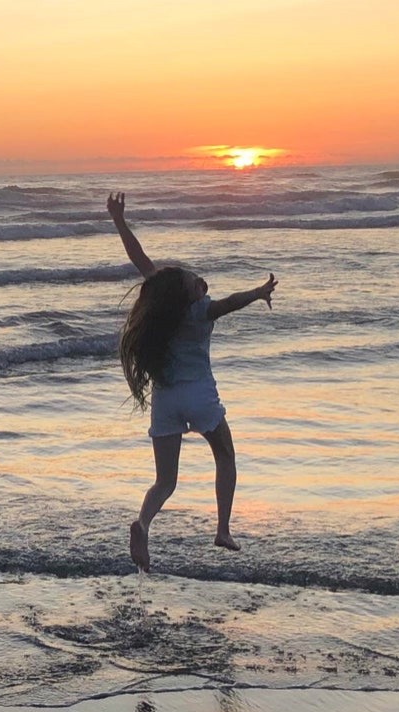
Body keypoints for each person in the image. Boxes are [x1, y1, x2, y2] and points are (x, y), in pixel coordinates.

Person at [107, 192, 277, 572]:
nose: (201, 281)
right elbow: (230, 302)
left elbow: (139, 259)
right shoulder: (200, 312)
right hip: (200, 398)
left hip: (166, 400)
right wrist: (258, 292)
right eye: (195, 281)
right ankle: (222, 529)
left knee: (165, 481)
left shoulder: (164, 310)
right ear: (189, 295)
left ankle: (143, 523)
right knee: (226, 456)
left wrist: (118, 220)